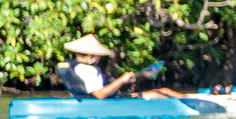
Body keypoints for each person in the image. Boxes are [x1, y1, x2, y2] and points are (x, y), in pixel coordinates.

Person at [57, 36, 186, 100]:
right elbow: (100, 95)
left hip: (86, 100)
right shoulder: (90, 70)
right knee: (157, 95)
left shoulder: (68, 66)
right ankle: (192, 102)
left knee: (164, 90)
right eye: (98, 56)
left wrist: (115, 82)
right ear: (91, 55)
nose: (99, 58)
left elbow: (78, 88)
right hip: (103, 103)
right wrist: (121, 80)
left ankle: (190, 98)